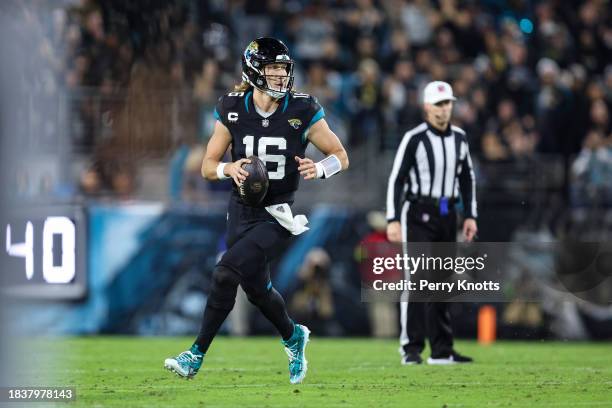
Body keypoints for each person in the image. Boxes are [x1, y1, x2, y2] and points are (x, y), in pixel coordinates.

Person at [164, 37, 349, 384]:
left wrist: (320, 169)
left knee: (224, 274)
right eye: (274, 68)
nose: (281, 76)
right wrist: (228, 170)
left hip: (277, 214)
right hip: (240, 209)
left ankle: (195, 355)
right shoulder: (232, 107)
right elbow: (207, 165)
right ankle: (294, 336)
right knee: (258, 291)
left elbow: (341, 156)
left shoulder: (303, 109)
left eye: (283, 68)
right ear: (254, 70)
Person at [386, 81, 478, 365]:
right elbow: (397, 179)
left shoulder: (460, 138)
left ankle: (441, 350)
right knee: (417, 280)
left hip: (447, 213)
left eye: (448, 103)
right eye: (439, 104)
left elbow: (467, 179)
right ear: (427, 107)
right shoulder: (414, 138)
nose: (444, 109)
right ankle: (411, 348)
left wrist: (471, 215)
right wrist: (392, 218)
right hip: (418, 213)